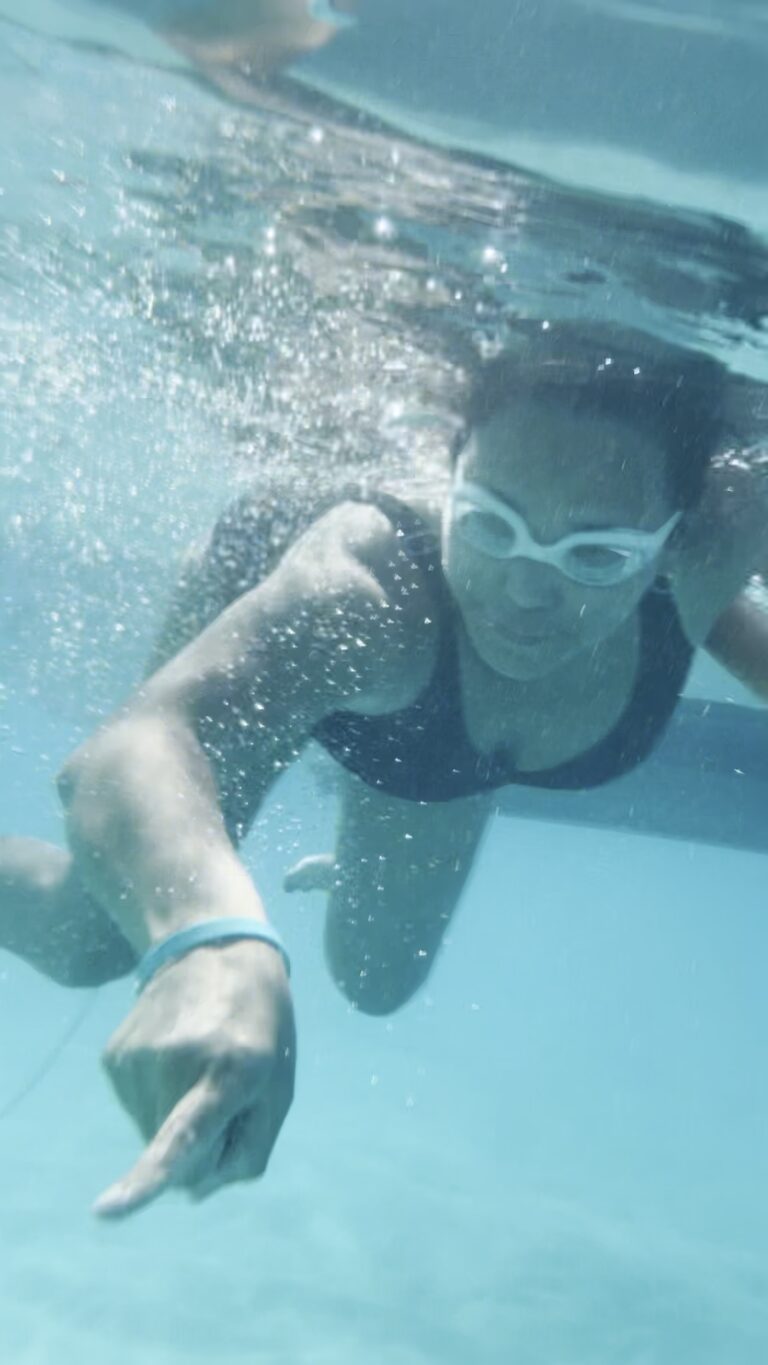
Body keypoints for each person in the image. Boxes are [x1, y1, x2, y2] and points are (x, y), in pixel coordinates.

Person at [0, 323, 766, 1219]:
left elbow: (704, 610)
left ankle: (366, 786)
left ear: (673, 543)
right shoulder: (363, 590)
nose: (525, 590)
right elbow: (137, 747)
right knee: (91, 935)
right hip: (289, 627)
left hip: (430, 726)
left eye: (595, 553)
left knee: (376, 980)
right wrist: (209, 937)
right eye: (491, 522)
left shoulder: (718, 544)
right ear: (455, 471)